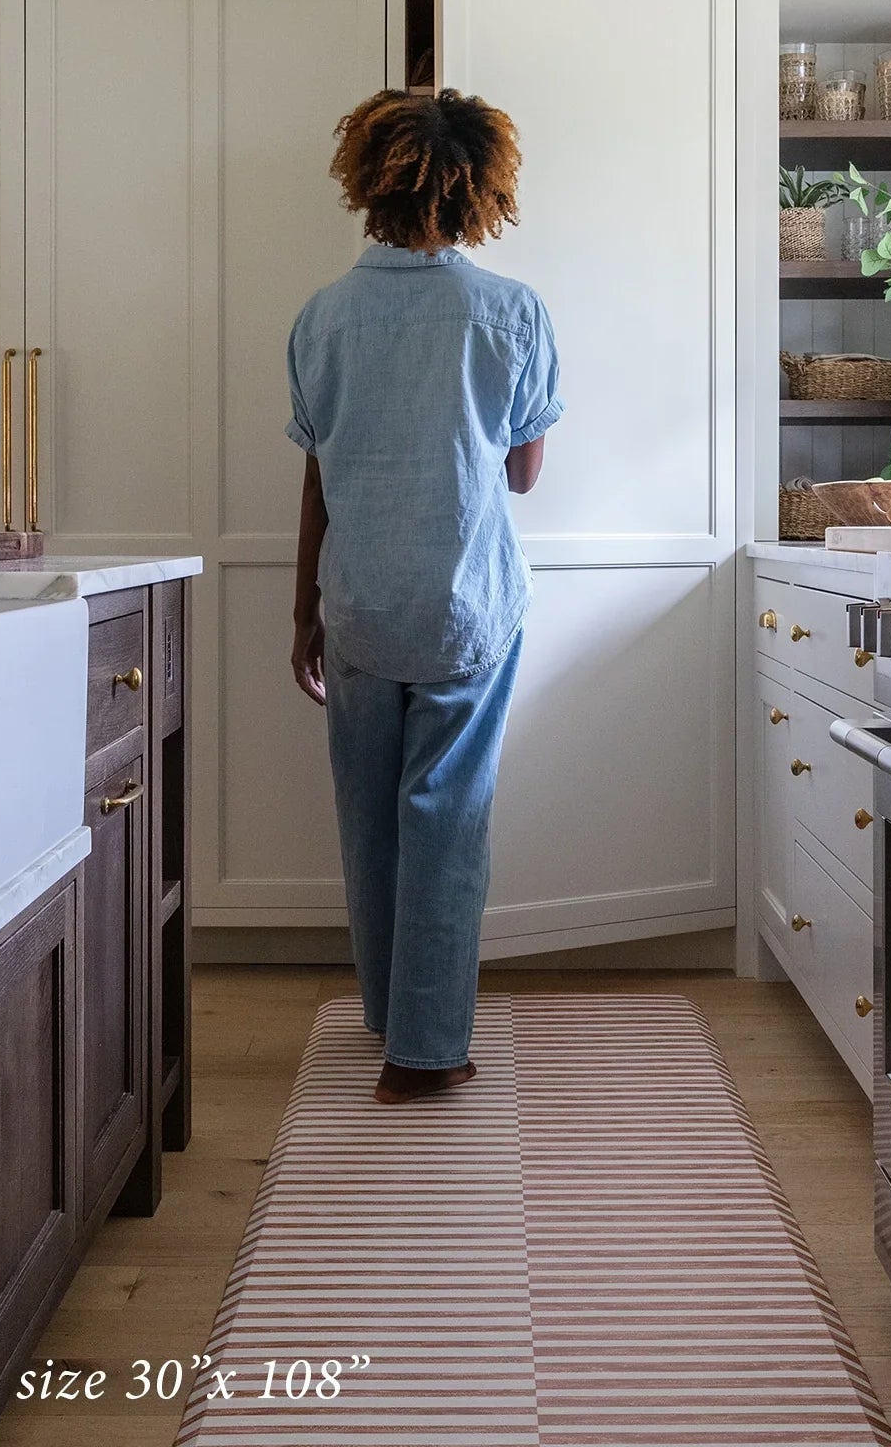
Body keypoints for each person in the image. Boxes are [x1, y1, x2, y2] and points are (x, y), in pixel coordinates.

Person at [285, 88, 563, 1105]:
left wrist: (301, 613)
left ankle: (383, 1009)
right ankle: (427, 1045)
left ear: (369, 180)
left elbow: (315, 476)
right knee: (447, 819)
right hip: (467, 607)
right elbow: (524, 474)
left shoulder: (322, 316)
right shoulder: (511, 311)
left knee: (368, 817)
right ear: (481, 186)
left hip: (355, 601)